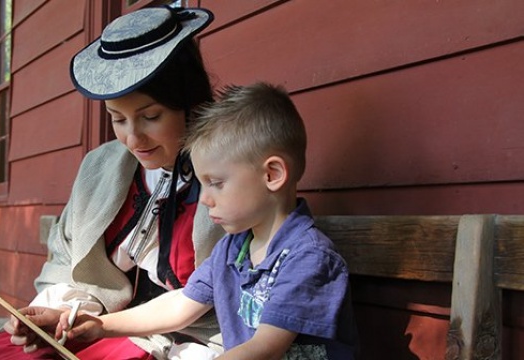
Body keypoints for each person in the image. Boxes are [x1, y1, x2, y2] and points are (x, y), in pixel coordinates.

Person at [0, 5, 226, 360]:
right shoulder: (101, 168)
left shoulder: (227, 175)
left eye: (151, 117)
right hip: (93, 328)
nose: (133, 139)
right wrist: (59, 314)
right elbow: (67, 260)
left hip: (178, 343)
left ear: (189, 104)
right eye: (117, 119)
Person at [56, 83, 360, 359]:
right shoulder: (233, 249)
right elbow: (180, 306)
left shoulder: (307, 258)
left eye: (215, 183)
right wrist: (102, 325)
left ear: (272, 175)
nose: (204, 199)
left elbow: (266, 348)